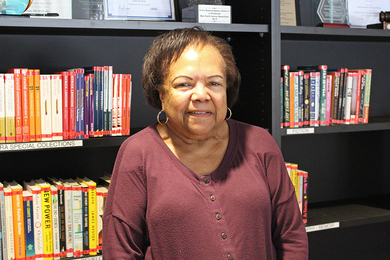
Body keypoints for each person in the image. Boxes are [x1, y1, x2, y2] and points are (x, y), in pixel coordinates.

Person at [102, 26, 308, 260]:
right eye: (184, 84)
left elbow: (291, 237)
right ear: (161, 93)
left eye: (214, 83)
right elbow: (119, 252)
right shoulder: (138, 152)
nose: (201, 95)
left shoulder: (260, 143)